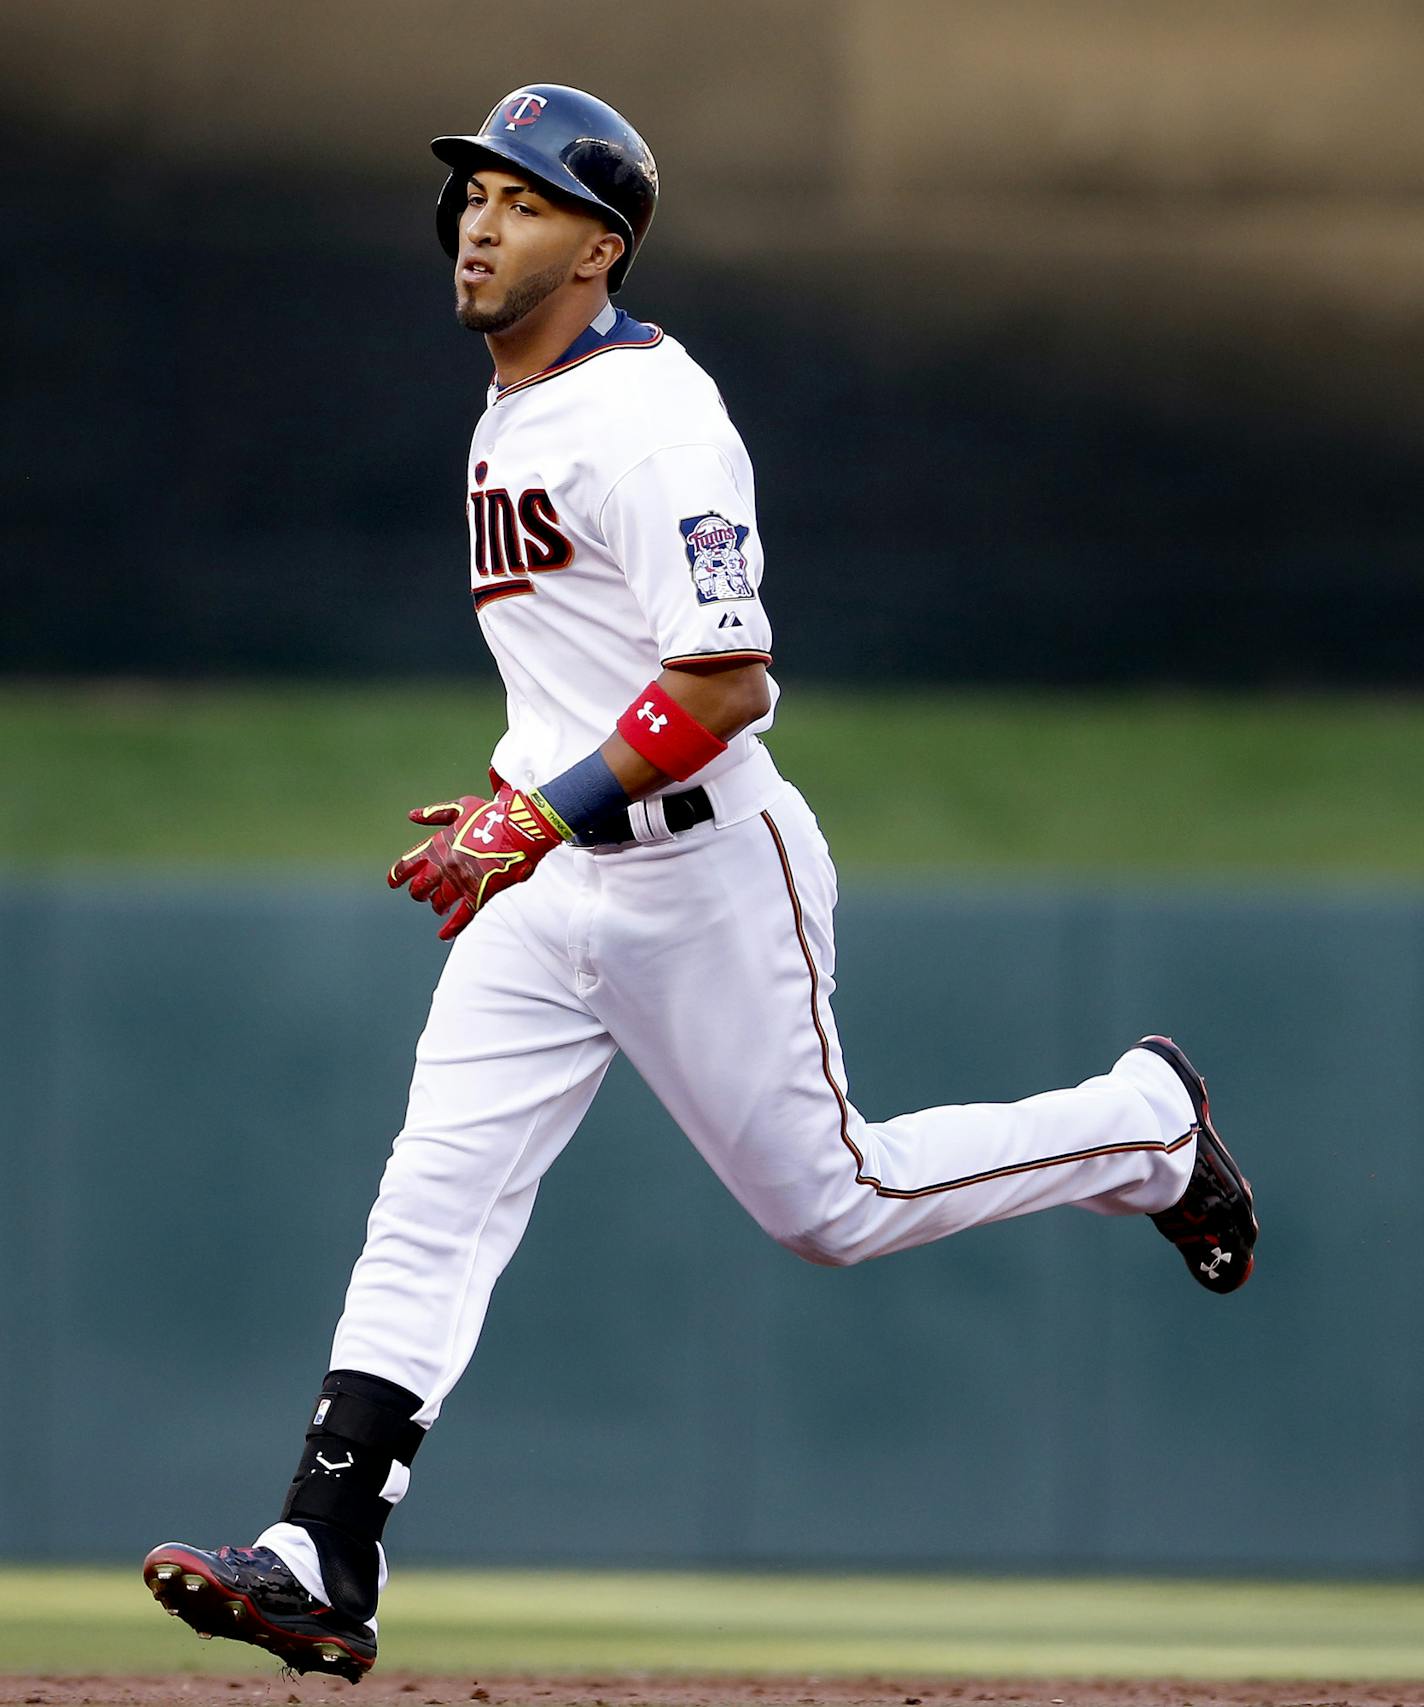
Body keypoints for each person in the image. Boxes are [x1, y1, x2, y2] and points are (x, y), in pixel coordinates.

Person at [142, 84, 1259, 1684]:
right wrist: (533, 797)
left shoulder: (655, 419)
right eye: (471, 191)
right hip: (548, 877)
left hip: (703, 873)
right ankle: (324, 1550)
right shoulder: (519, 403)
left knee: (833, 1205)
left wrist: (541, 813)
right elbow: (593, 667)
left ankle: (1146, 1126)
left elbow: (725, 681)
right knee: (434, 1193)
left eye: (521, 201)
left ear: (599, 246)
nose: (477, 218)